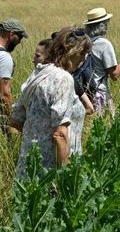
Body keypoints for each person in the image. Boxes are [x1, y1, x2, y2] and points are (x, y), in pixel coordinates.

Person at [10, 27, 91, 178]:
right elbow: (60, 134)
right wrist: (64, 175)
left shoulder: (39, 73)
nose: (83, 59)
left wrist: (37, 136)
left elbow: (15, 120)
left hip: (29, 164)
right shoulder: (64, 79)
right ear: (72, 52)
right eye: (83, 54)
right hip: (50, 171)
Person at [83, 7, 120, 115]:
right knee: (104, 127)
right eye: (106, 23)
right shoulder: (104, 44)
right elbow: (114, 74)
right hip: (100, 94)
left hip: (84, 96)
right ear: (102, 25)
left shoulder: (83, 43)